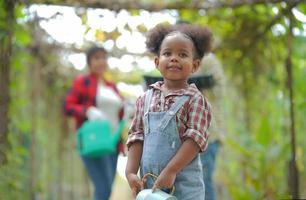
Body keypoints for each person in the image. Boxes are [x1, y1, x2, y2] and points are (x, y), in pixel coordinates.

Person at [125, 23, 213, 200]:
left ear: (194, 65)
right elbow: (137, 136)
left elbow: (195, 140)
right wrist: (130, 172)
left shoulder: (195, 99)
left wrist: (171, 170)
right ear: (157, 62)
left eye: (182, 54)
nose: (174, 58)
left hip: (184, 188)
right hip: (150, 187)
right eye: (167, 53)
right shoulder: (145, 99)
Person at [63, 46, 124, 200]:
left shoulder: (112, 87)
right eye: (97, 58)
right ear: (89, 62)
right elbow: (67, 106)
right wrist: (87, 111)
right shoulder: (83, 82)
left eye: (104, 58)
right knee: (103, 188)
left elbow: (118, 117)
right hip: (94, 139)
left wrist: (121, 143)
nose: (101, 61)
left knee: (108, 188)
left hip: (112, 143)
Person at [195, 53, 226, 200]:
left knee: (204, 183)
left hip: (208, 135)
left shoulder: (208, 59)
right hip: (189, 138)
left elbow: (218, 91)